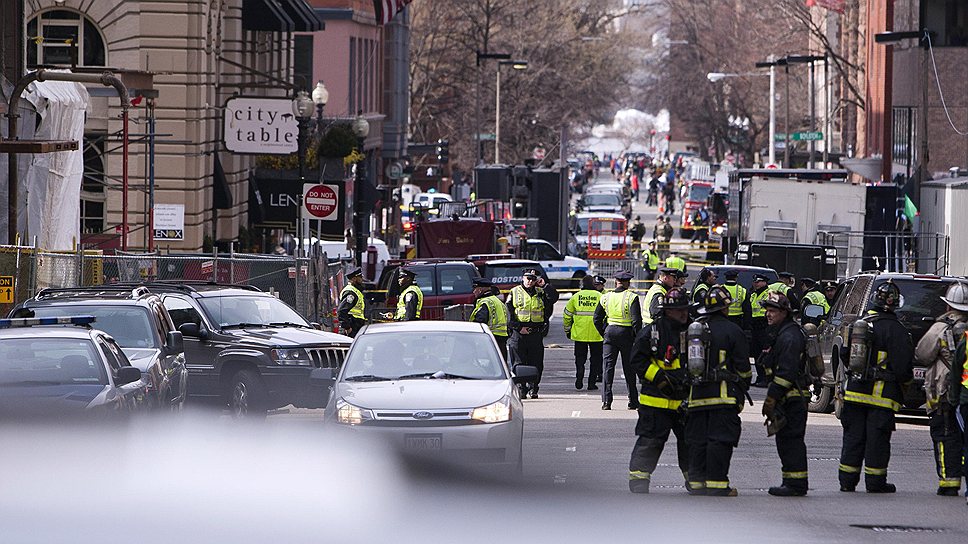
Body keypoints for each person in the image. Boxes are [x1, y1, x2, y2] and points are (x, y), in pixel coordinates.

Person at [838, 280, 914, 493]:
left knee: (853, 439)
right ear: (896, 304)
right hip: (882, 397)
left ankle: (846, 482)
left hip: (854, 393)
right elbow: (902, 368)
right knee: (877, 443)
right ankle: (875, 483)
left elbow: (845, 354)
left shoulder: (860, 324)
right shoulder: (898, 330)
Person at [686, 285, 752, 496]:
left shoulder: (695, 329)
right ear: (726, 308)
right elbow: (743, 368)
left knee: (697, 441)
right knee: (720, 440)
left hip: (696, 397)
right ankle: (717, 485)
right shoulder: (734, 331)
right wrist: (741, 389)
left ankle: (696, 484)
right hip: (723, 396)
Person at [628, 288, 691, 493]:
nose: (683, 313)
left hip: (686, 400)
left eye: (685, 309)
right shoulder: (651, 332)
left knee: (691, 443)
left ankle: (695, 481)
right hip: (656, 401)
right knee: (650, 442)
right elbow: (637, 360)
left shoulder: (695, 330)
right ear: (667, 310)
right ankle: (639, 481)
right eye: (678, 310)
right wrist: (659, 377)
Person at [915, 282, 968, 496]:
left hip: (943, 391)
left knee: (945, 436)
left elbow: (922, 354)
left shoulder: (940, 328)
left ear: (948, 306)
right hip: (964, 394)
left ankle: (949, 482)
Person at [759, 292, 810, 496]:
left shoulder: (789, 336)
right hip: (788, 397)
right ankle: (790, 481)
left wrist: (772, 398)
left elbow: (785, 373)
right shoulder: (782, 333)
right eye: (767, 311)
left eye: (772, 311)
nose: (768, 315)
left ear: (784, 312)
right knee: (786, 441)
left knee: (791, 441)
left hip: (793, 397)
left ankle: (796, 485)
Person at [594, 270, 642, 410]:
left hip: (610, 333)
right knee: (629, 369)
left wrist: (604, 333)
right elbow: (636, 321)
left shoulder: (605, 297)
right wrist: (637, 338)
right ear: (628, 283)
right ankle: (633, 401)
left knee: (608, 368)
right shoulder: (632, 297)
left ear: (616, 282)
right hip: (626, 335)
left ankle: (606, 402)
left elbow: (596, 318)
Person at [507, 269, 559, 399]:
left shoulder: (541, 292)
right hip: (519, 333)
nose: (530, 281)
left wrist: (545, 285)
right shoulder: (514, 292)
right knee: (518, 363)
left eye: (533, 278)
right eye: (528, 278)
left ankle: (533, 388)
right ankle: (521, 388)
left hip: (535, 333)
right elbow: (509, 313)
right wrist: (518, 328)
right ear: (523, 278)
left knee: (536, 362)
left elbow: (554, 298)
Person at [563, 275, 604, 391]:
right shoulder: (600, 296)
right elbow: (606, 315)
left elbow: (567, 315)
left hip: (579, 334)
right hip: (597, 335)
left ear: (582, 285)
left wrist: (567, 330)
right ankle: (591, 383)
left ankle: (579, 377)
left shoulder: (576, 297)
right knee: (595, 360)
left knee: (580, 359)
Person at [469, 278, 510, 361]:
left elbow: (480, 323)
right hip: (501, 339)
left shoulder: (485, 302)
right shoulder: (497, 301)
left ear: (480, 290)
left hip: (490, 339)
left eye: (474, 289)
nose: (473, 292)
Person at [748, 274, 773, 387]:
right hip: (755, 328)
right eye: (755, 282)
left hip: (765, 327)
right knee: (756, 353)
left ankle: (767, 378)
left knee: (765, 354)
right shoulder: (753, 295)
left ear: (765, 282)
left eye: (758, 281)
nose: (756, 284)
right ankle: (760, 377)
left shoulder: (769, 294)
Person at [337, 267, 367, 338]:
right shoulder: (351, 292)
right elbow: (342, 311)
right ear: (354, 279)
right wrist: (347, 327)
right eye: (360, 277)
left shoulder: (356, 290)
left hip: (357, 325)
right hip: (352, 326)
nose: (362, 279)